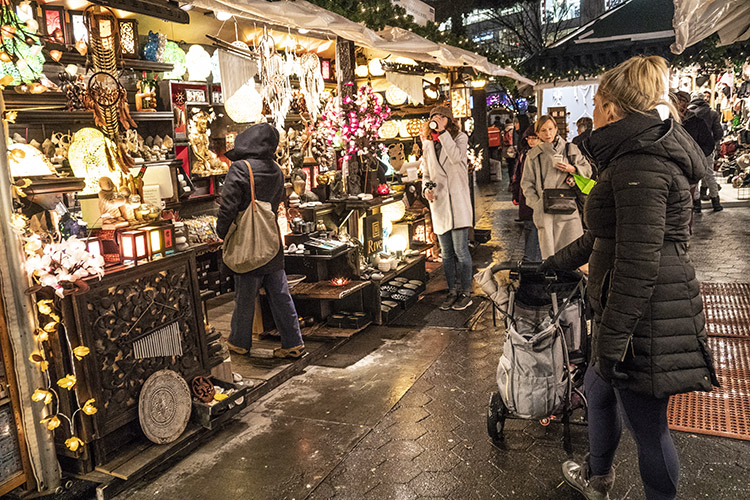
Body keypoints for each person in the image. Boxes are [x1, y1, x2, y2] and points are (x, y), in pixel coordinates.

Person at [540, 56, 718, 500]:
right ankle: (598, 478)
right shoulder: (630, 155)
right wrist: (548, 265)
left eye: (597, 103)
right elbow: (603, 238)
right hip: (633, 315)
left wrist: (615, 339)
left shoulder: (640, 162)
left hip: (645, 321)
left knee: (649, 429)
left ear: (614, 110)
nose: (593, 112)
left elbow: (638, 260)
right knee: (597, 391)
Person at [217, 123, 305, 359]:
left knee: (245, 294)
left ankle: (239, 342)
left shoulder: (240, 168)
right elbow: (276, 203)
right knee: (279, 292)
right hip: (270, 238)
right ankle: (293, 342)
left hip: (248, 240)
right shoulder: (276, 169)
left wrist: (222, 232)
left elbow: (228, 206)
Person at [421, 105, 473, 311]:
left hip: (457, 201)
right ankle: (452, 291)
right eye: (435, 116)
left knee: (461, 251)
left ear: (449, 121)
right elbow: (426, 172)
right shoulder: (427, 144)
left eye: (443, 117)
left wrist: (443, 133)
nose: (438, 119)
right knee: (446, 253)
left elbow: (456, 158)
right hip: (440, 202)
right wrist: (426, 188)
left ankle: (466, 291)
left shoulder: (459, 138)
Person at [520, 115, 592, 259]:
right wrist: (537, 204)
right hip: (545, 209)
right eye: (543, 130)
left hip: (568, 207)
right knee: (550, 257)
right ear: (538, 133)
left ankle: (573, 281)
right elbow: (527, 183)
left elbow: (588, 171)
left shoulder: (569, 148)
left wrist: (572, 168)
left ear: (556, 129)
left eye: (550, 129)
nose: (548, 134)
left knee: (573, 254)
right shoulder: (534, 155)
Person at [688, 91, 724, 212]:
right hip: (708, 147)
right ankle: (716, 202)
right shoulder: (712, 113)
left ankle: (697, 204)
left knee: (694, 174)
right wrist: (712, 142)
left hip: (692, 147)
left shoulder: (689, 113)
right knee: (710, 174)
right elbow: (719, 132)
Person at [510, 127, 542, 262]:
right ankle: (530, 260)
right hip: (526, 197)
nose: (531, 141)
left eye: (534, 138)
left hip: (539, 197)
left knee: (538, 229)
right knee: (530, 227)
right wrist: (515, 194)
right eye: (529, 138)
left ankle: (534, 260)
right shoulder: (524, 154)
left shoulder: (544, 154)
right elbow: (517, 175)